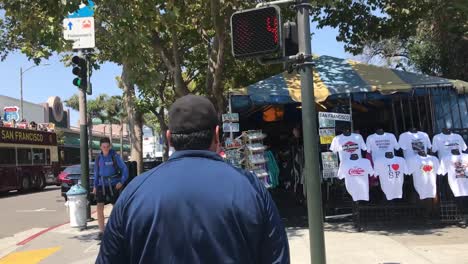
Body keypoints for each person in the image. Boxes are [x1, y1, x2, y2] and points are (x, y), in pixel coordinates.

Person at [97, 95, 290, 264]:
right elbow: (277, 257)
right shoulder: (250, 187)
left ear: (169, 138)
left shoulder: (135, 192)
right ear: (216, 135)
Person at [93, 137, 128, 240]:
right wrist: (95, 186)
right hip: (101, 185)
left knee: (116, 207)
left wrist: (121, 182)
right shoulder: (98, 158)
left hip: (113, 184)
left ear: (110, 146)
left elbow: (124, 169)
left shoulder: (115, 156)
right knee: (99, 207)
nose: (106, 149)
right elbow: (96, 173)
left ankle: (115, 229)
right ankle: (101, 231)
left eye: (107, 146)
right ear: (100, 147)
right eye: (104, 147)